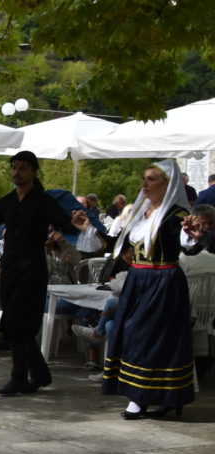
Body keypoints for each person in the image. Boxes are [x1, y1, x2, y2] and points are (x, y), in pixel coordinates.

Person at [0, 151, 93, 396]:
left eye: (23, 168)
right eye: (14, 167)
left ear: (34, 172)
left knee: (20, 325)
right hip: (10, 269)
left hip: (32, 269)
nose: (17, 172)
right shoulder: (7, 202)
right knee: (14, 325)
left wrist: (76, 221)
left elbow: (64, 222)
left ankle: (20, 377)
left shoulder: (43, 201)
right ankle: (38, 374)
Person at [102, 160, 196, 419]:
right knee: (129, 332)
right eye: (144, 178)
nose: (145, 184)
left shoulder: (176, 216)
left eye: (152, 179)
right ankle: (148, 396)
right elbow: (118, 245)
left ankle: (146, 397)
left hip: (162, 281)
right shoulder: (141, 213)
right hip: (138, 280)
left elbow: (188, 242)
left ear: (168, 184)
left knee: (147, 336)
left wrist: (192, 234)